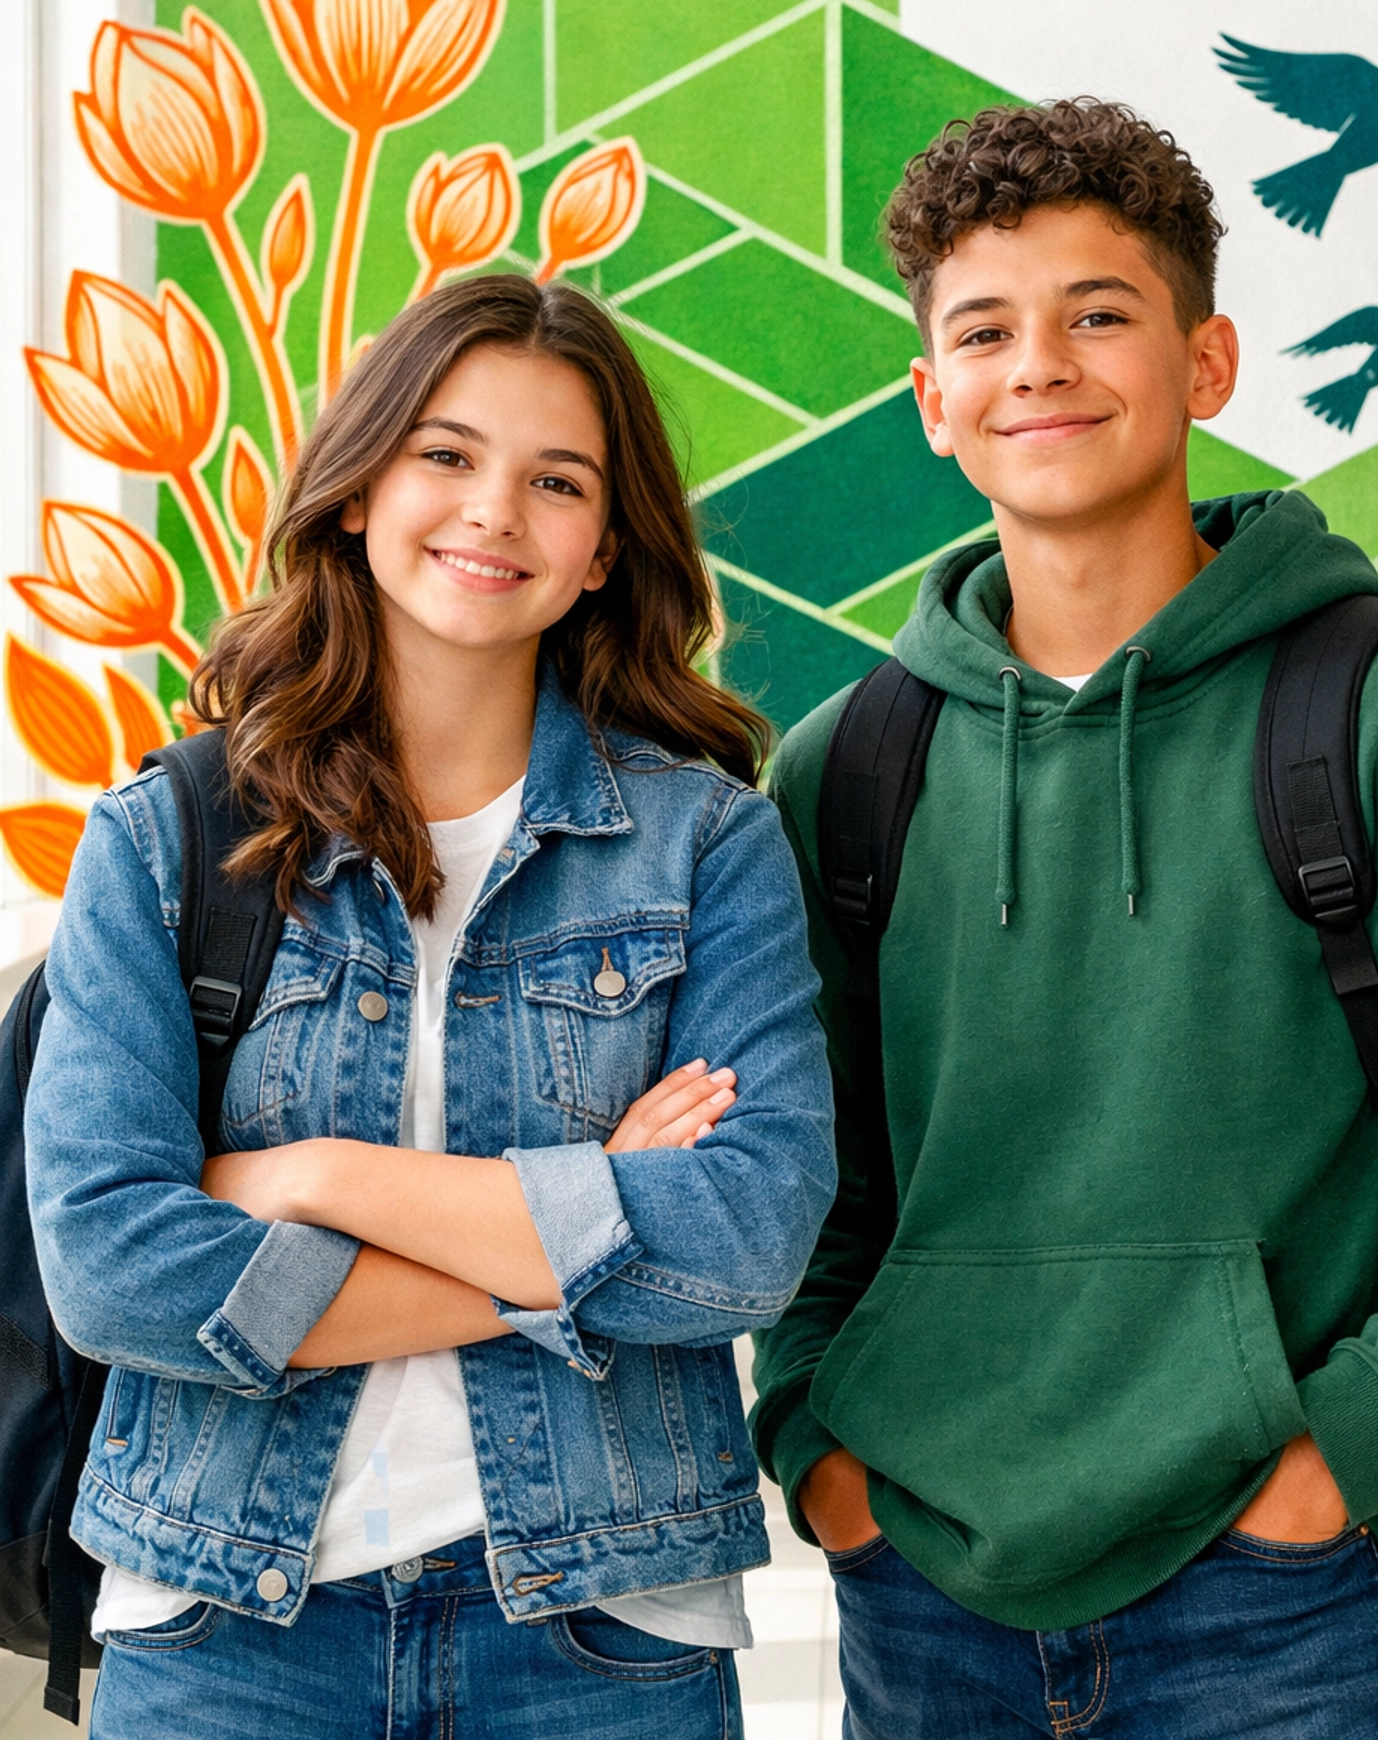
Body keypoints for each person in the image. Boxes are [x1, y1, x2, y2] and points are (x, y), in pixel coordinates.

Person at [750, 98, 1378, 1738]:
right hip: (925, 1589)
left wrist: (1353, 1460)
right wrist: (818, 1446)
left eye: (1098, 314)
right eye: (985, 331)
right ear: (932, 402)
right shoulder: (847, 769)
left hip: (1285, 1614)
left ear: (1208, 363)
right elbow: (806, 1184)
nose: (1039, 364)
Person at [26, 273, 835, 1740]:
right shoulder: (167, 834)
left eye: (556, 481)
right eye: (447, 456)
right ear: (358, 490)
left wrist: (317, 1180)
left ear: (602, 551)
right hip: (225, 1631)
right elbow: (111, 1265)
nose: (494, 513)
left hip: (603, 1638)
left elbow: (748, 1235)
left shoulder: (708, 845)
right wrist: (574, 1253)